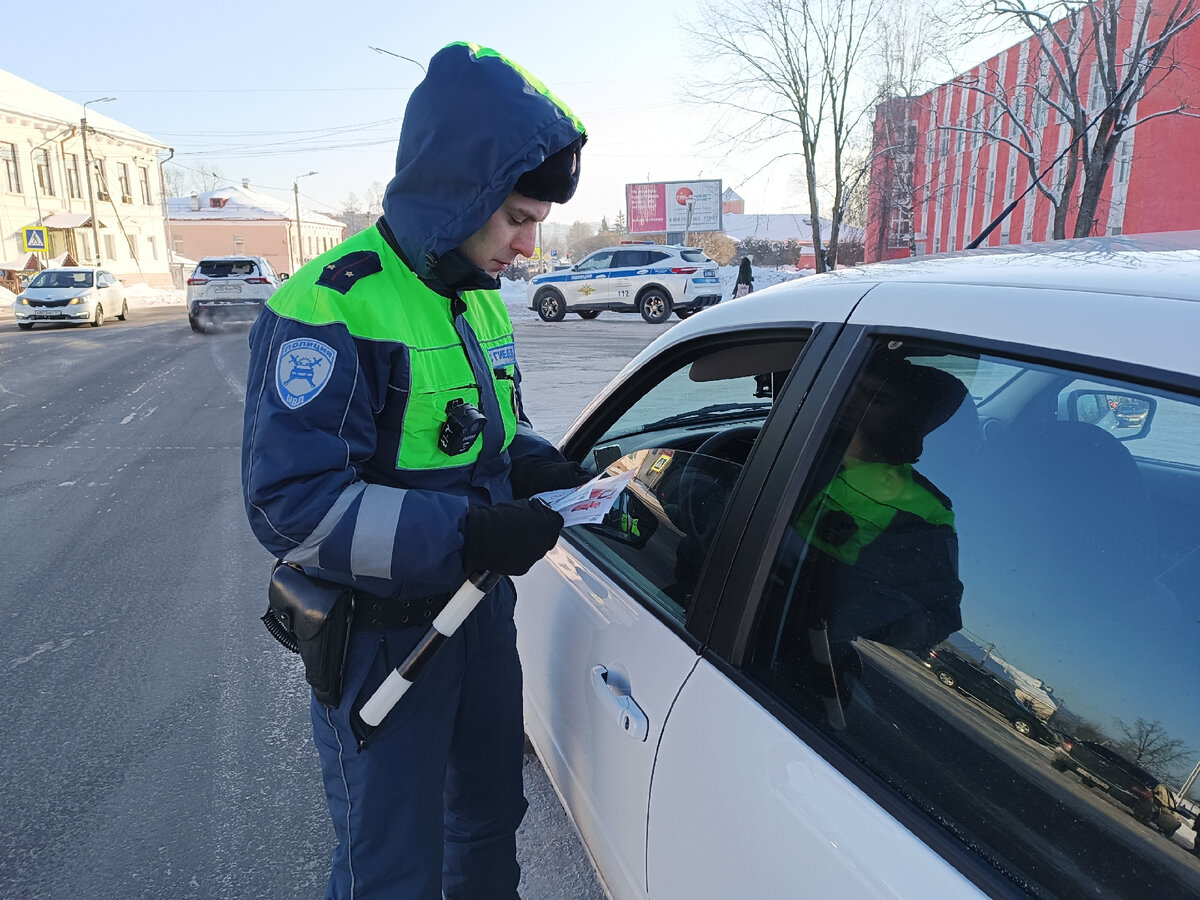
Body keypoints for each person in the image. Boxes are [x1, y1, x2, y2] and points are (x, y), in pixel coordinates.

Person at [241, 42, 590, 899]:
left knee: (487, 825)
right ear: (460, 190)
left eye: (537, 219)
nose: (529, 241)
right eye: (516, 214)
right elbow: (295, 507)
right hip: (381, 638)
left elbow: (491, 438)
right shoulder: (331, 302)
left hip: (477, 621)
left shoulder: (475, 297)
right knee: (390, 866)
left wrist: (548, 469)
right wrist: (472, 530)